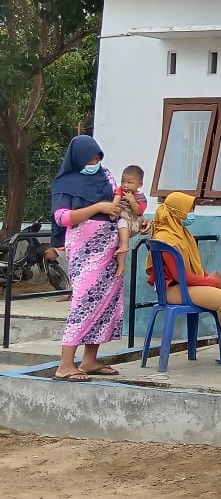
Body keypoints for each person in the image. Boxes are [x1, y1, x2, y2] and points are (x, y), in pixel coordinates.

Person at [50, 135, 126, 381]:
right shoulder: (66, 182)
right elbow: (62, 217)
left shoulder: (106, 176)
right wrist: (98, 207)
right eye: (90, 159)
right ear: (78, 158)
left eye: (97, 158)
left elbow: (117, 202)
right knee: (84, 301)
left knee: (106, 302)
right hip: (85, 250)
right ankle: (65, 365)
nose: (94, 163)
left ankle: (90, 360)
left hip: (110, 247)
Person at [147, 191, 221, 364]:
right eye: (189, 209)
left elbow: (196, 267)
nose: (191, 213)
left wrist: (210, 279)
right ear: (177, 211)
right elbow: (179, 276)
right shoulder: (164, 238)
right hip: (174, 289)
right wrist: (211, 282)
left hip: (189, 285)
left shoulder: (183, 233)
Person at [113, 165, 148, 276]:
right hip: (121, 220)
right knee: (119, 242)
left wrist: (132, 200)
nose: (125, 185)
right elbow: (115, 200)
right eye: (123, 181)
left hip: (132, 222)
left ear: (140, 184)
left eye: (129, 182)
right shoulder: (120, 190)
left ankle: (125, 244)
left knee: (122, 225)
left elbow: (138, 212)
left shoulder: (140, 197)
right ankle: (121, 265)